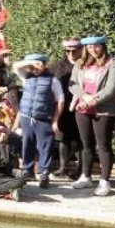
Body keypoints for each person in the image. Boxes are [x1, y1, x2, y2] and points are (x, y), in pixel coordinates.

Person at [69, 35, 115, 196]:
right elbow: (73, 84)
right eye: (90, 47)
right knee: (86, 145)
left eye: (96, 46)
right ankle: (86, 176)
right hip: (83, 109)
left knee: (104, 146)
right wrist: (84, 96)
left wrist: (92, 100)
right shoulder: (80, 64)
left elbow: (111, 88)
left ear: (103, 46)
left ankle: (105, 181)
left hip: (104, 109)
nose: (93, 49)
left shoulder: (113, 64)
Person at [15, 54, 64, 189]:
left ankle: (44, 173)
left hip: (44, 118)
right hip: (27, 117)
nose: (34, 68)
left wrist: (55, 120)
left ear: (44, 64)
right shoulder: (26, 77)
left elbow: (60, 100)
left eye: (38, 64)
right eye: (32, 65)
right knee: (27, 144)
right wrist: (30, 62)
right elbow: (15, 66)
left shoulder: (53, 80)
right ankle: (27, 170)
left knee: (45, 147)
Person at [50, 37, 84, 177]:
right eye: (67, 51)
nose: (70, 54)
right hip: (62, 106)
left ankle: (81, 169)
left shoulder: (86, 65)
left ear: (81, 50)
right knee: (63, 138)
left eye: (74, 51)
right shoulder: (56, 66)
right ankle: (63, 167)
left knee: (81, 139)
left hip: (81, 106)